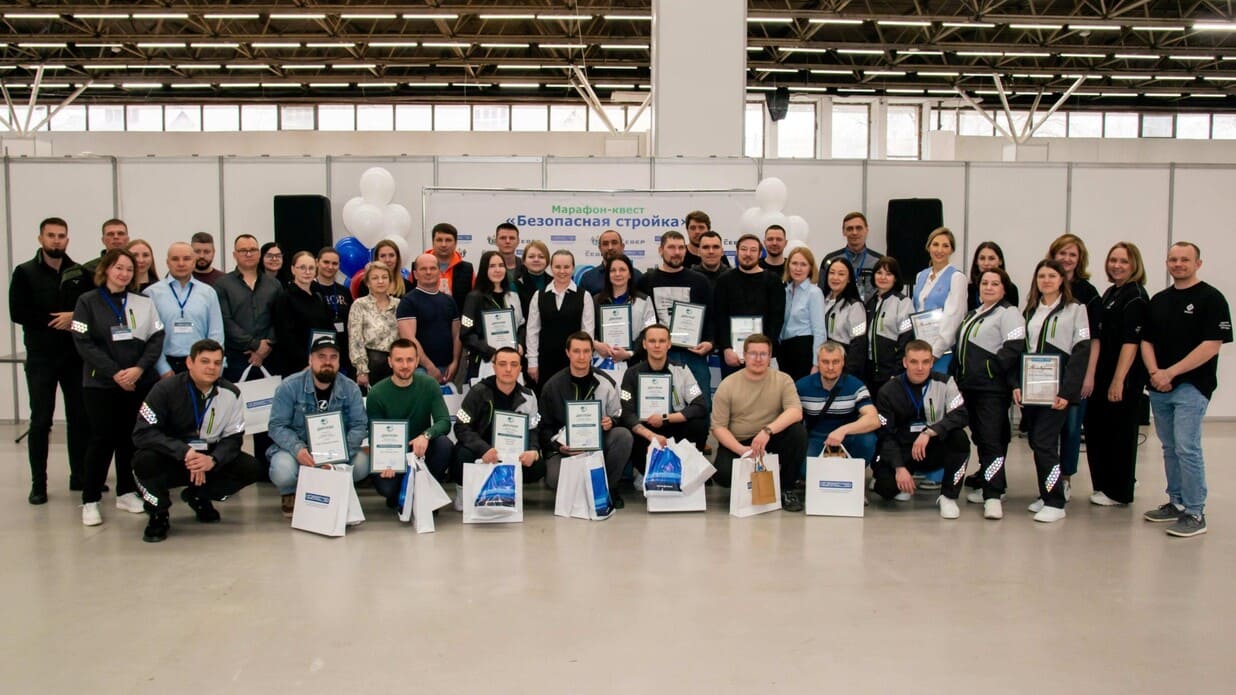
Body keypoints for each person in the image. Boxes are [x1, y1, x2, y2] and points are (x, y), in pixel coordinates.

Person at [1140, 242, 1232, 538]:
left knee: (1187, 447)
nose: (1178, 264)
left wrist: (1171, 373)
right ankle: (1176, 501)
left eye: (1184, 259)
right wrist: (1155, 373)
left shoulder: (1211, 298)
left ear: (1198, 264)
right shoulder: (1159, 300)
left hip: (1192, 387)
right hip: (1159, 387)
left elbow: (1211, 345)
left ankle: (1195, 511)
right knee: (1169, 448)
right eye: (1173, 259)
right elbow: (1146, 341)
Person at [130, 339, 263, 542]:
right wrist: (183, 451)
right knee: (143, 461)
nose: (211, 367)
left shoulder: (232, 393)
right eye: (205, 361)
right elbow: (143, 433)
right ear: (189, 362)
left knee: (251, 467)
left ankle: (199, 496)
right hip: (171, 456)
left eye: (217, 363)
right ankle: (158, 512)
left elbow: (234, 438)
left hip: (208, 457)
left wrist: (213, 459)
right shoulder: (164, 390)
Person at [71, 248, 166, 526]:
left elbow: (157, 337)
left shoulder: (143, 302)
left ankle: (126, 492)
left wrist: (138, 369)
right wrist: (115, 373)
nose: (124, 273)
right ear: (106, 270)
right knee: (102, 440)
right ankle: (90, 499)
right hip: (100, 384)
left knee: (130, 439)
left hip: (137, 382)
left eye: (129, 269)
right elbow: (82, 341)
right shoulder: (87, 301)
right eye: (118, 268)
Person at [9, 217, 90, 503]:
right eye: (51, 235)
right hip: (41, 358)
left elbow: (88, 314)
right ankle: (38, 484)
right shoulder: (25, 272)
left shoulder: (79, 272)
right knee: (41, 420)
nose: (57, 240)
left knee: (79, 418)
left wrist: (74, 318)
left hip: (74, 357)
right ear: (40, 239)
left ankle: (79, 476)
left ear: (67, 239)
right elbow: (18, 312)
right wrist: (56, 320)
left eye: (61, 236)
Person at [1016, 259, 1091, 523]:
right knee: (1037, 442)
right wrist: (1017, 385)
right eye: (1041, 276)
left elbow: (1082, 350)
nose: (1046, 280)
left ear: (1062, 280)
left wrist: (1067, 391)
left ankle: (1055, 502)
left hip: (1058, 389)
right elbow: (1022, 349)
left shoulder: (1076, 309)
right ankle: (1046, 492)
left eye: (1052, 276)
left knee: (1045, 442)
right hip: (1033, 388)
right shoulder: (1030, 311)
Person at [267, 335, 369, 518]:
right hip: (298, 451)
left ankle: (331, 488)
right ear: (310, 359)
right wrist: (298, 449)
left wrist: (339, 454)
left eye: (333, 357)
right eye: (321, 356)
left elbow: (359, 425)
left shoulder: (350, 388)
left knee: (362, 464)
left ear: (339, 361)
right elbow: (277, 426)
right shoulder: (289, 387)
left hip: (337, 452)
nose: (327, 362)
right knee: (283, 470)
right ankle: (290, 492)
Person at [954, 268, 1024, 520]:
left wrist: (990, 369)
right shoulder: (974, 313)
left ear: (1004, 288)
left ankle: (993, 496)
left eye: (995, 283)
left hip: (991, 390)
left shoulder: (1009, 313)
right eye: (985, 283)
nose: (989, 287)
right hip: (970, 388)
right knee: (982, 440)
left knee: (992, 441)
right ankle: (991, 484)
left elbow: (1014, 346)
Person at [871, 340, 971, 518]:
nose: (920, 368)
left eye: (925, 362)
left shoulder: (946, 383)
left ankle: (948, 496)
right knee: (885, 488)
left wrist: (930, 432)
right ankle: (902, 479)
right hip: (902, 449)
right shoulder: (888, 391)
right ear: (905, 362)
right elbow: (885, 435)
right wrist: (899, 468)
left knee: (960, 439)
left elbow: (960, 414)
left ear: (932, 362)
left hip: (931, 446)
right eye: (914, 362)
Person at [1085, 242, 1150, 509]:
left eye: (1124, 261)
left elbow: (1131, 341)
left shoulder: (1135, 296)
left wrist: (1118, 380)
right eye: (1113, 260)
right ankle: (1105, 484)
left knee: (1120, 434)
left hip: (1123, 378)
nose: (1117, 265)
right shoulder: (1112, 292)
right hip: (1103, 373)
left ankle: (1120, 491)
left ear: (1135, 264)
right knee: (1101, 430)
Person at [711, 333, 808, 511]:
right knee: (723, 475)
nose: (758, 359)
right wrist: (742, 450)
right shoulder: (728, 385)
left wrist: (767, 431)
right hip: (739, 441)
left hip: (770, 437)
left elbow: (795, 412)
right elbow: (718, 427)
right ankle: (747, 487)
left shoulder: (783, 380)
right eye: (753, 353)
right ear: (744, 355)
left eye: (763, 354)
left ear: (770, 356)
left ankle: (786, 488)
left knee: (797, 433)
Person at [536, 332, 633, 507]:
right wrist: (558, 446)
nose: (581, 356)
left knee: (623, 436)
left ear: (592, 353)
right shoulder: (552, 386)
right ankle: (583, 489)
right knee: (554, 479)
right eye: (576, 351)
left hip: (598, 445)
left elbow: (619, 413)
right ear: (568, 353)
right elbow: (544, 428)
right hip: (565, 450)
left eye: (586, 351)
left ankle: (608, 488)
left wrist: (612, 422)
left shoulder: (606, 382)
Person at [364, 339, 453, 510]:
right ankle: (400, 494)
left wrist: (426, 435)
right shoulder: (377, 393)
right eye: (399, 360)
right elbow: (375, 435)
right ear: (390, 361)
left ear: (417, 361)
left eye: (410, 360)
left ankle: (425, 492)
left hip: (422, 450)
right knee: (386, 488)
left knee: (444, 445)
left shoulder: (429, 385)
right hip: (393, 453)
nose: (405, 365)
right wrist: (385, 461)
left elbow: (444, 421)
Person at [1046, 233, 1102, 498]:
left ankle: (1065, 479)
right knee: (1046, 430)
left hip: (1075, 374)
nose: (1067, 259)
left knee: (1070, 429)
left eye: (1072, 255)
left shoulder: (1087, 293)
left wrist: (1088, 375)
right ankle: (1048, 479)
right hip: (1046, 373)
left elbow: (1094, 339)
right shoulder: (1045, 286)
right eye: (1062, 253)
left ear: (1079, 260)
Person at [637, 231, 715, 408]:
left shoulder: (700, 281)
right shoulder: (646, 281)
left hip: (693, 354)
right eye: (671, 247)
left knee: (700, 404)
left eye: (681, 247)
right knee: (659, 405)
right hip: (659, 354)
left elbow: (711, 317)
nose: (677, 252)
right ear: (660, 250)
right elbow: (640, 320)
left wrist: (710, 342)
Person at [619, 324, 709, 476]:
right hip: (645, 431)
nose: (657, 345)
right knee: (626, 430)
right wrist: (651, 436)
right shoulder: (631, 374)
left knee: (699, 423)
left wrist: (666, 418)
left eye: (661, 341)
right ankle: (645, 472)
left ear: (669, 344)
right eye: (652, 341)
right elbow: (627, 413)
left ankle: (690, 470)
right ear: (644, 344)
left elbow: (700, 405)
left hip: (674, 425)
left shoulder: (682, 370)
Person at [452, 346, 543, 489]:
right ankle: (465, 491)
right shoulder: (477, 391)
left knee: (538, 466)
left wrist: (533, 450)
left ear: (520, 369)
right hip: (482, 449)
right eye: (502, 364)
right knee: (462, 455)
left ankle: (508, 490)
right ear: (494, 367)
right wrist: (483, 449)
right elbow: (461, 425)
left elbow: (534, 428)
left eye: (514, 365)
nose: (508, 369)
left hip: (512, 452)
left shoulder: (529, 396)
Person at [144, 242, 225, 376]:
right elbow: (150, 335)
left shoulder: (208, 293)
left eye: (186, 259)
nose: (181, 263)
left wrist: (213, 364)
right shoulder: (152, 293)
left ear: (193, 262)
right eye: (175, 259)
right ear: (167, 263)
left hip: (201, 363)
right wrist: (162, 368)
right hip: (165, 365)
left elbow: (216, 333)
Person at [713, 234, 785, 379]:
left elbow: (776, 320)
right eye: (744, 249)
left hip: (762, 356)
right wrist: (726, 348)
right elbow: (719, 317)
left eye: (753, 250)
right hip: (732, 356)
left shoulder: (773, 281)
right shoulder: (724, 281)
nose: (748, 254)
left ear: (760, 253)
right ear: (737, 251)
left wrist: (765, 351)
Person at [795, 342, 879, 464]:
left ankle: (853, 471)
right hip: (816, 438)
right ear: (818, 362)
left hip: (848, 437)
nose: (830, 367)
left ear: (843, 362)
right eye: (825, 362)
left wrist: (843, 430)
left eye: (835, 362)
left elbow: (874, 419)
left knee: (868, 440)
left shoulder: (856, 386)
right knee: (805, 470)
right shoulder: (802, 386)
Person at [214, 234, 281, 383]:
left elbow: (279, 318)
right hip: (236, 359)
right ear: (234, 255)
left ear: (259, 253)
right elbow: (225, 321)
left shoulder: (274, 285)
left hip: (269, 357)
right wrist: (255, 345)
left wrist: (267, 345)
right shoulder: (222, 284)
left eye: (253, 250)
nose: (249, 254)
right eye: (243, 250)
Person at [527, 250, 595, 387]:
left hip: (574, 362)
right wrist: (532, 362)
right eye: (557, 267)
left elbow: (588, 333)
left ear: (573, 268)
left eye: (566, 267)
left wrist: (586, 361)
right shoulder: (539, 295)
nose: (562, 271)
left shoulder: (584, 296)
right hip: (545, 361)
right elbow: (532, 331)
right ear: (551, 268)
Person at [397, 253, 462, 385]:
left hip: (448, 370)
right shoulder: (408, 302)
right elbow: (409, 339)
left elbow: (457, 334)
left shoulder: (449, 301)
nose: (428, 272)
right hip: (420, 370)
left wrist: (455, 362)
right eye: (423, 269)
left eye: (432, 268)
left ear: (439, 272)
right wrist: (429, 366)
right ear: (415, 274)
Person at [461, 250, 525, 381]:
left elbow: (522, 325)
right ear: (484, 269)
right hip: (484, 362)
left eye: (501, 265)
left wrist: (520, 343)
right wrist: (489, 352)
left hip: (510, 361)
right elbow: (466, 334)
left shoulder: (512, 296)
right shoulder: (473, 298)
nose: (497, 270)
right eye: (492, 266)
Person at [911, 227, 967, 375]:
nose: (939, 250)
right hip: (920, 348)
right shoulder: (920, 276)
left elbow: (953, 318)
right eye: (935, 244)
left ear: (951, 250)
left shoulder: (956, 278)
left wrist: (934, 353)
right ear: (928, 247)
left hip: (942, 352)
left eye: (945, 246)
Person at [272, 250, 336, 378]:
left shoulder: (319, 296)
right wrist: (306, 361)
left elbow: (329, 328)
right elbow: (286, 336)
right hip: (297, 366)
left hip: (321, 362)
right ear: (293, 269)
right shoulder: (284, 298)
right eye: (302, 268)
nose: (307, 272)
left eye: (311, 268)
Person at [592, 254, 657, 369]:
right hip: (601, 362)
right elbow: (589, 330)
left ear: (630, 274)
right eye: (613, 270)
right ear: (608, 275)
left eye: (622, 269)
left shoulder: (644, 300)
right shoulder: (596, 300)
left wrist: (630, 353)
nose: (617, 274)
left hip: (634, 363)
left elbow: (649, 331)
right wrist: (596, 344)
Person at [864, 256, 913, 400]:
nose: (883, 277)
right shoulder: (870, 302)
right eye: (879, 273)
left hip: (890, 370)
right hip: (869, 370)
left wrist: (896, 371)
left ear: (895, 278)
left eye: (888, 274)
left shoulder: (903, 302)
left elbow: (906, 339)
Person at [347, 262, 400, 390]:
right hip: (371, 365)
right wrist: (361, 370)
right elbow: (355, 340)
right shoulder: (359, 305)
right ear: (368, 282)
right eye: (375, 278)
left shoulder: (399, 304)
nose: (380, 281)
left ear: (390, 281)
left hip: (395, 365)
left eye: (384, 277)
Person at [59, 217, 130, 310]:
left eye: (120, 233)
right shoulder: (88, 270)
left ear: (127, 239)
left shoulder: (138, 267)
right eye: (110, 234)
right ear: (103, 240)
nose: (116, 237)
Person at [779, 246, 827, 382]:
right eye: (794, 263)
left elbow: (819, 331)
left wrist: (816, 364)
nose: (798, 268)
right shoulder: (785, 291)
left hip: (804, 350)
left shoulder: (814, 293)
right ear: (788, 266)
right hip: (785, 350)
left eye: (803, 264)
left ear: (810, 268)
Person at [821, 256, 868, 377]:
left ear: (849, 279)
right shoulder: (822, 300)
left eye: (841, 274)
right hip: (824, 361)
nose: (835, 277)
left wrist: (849, 372)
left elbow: (859, 342)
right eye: (832, 273)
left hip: (845, 364)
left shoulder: (855, 306)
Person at [823, 212, 883, 302]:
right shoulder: (830, 260)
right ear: (844, 232)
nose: (854, 232)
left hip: (870, 310)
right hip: (838, 309)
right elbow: (822, 292)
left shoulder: (879, 261)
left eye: (859, 228)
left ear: (866, 230)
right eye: (850, 229)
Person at [578, 229, 642, 297]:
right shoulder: (588, 278)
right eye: (605, 244)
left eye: (614, 243)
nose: (610, 247)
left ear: (622, 247)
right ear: (600, 249)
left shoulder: (636, 275)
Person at [427, 222, 474, 313]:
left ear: (455, 243)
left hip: (458, 320)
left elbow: (472, 302)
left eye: (448, 240)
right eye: (439, 240)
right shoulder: (418, 267)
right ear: (433, 243)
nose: (443, 244)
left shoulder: (467, 269)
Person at [349, 238, 413, 299]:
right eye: (383, 256)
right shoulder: (365, 285)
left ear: (397, 259)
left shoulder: (408, 286)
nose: (387, 260)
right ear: (377, 259)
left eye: (391, 255)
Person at [967, 242, 1019, 311]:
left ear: (1000, 261)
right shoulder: (968, 289)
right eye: (982, 258)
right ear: (976, 262)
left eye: (991, 258)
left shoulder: (1011, 289)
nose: (986, 263)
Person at [515, 239, 550, 318]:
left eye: (541, 257)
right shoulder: (516, 285)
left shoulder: (554, 283)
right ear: (524, 261)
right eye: (531, 257)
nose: (536, 260)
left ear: (547, 260)